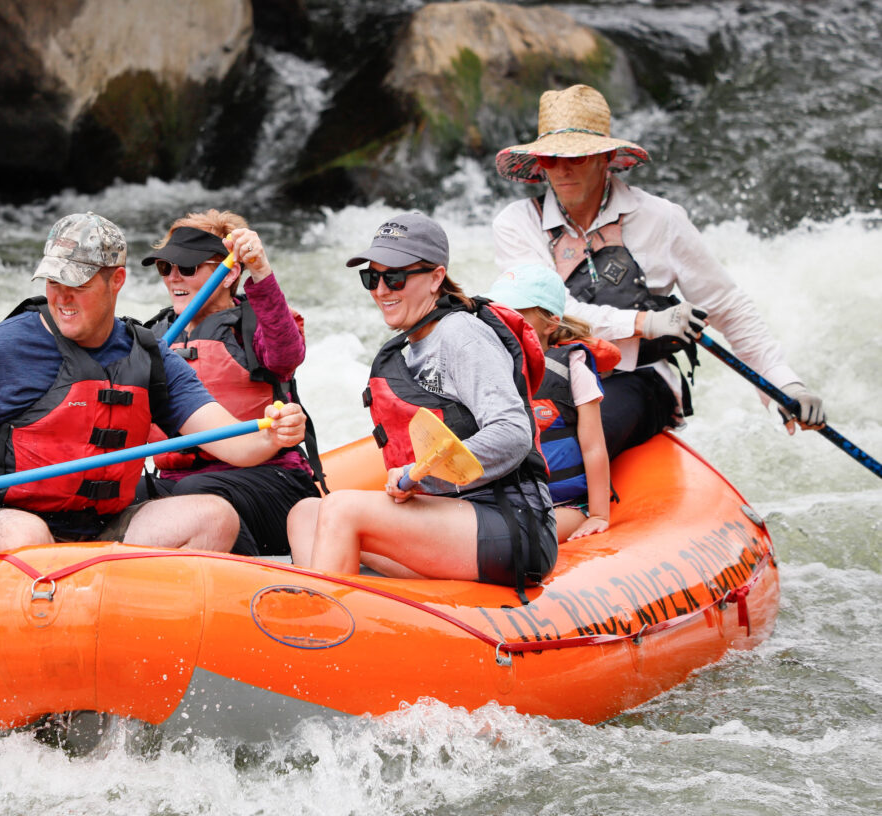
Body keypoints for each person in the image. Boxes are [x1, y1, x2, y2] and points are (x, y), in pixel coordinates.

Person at [0, 212, 307, 562]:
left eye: (77, 283)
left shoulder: (149, 355)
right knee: (26, 536)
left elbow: (235, 443)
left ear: (116, 280)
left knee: (215, 517)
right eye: (53, 280)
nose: (62, 296)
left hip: (100, 525)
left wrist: (276, 432)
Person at [492, 84, 825, 459]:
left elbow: (729, 310)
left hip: (637, 379)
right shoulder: (516, 223)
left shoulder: (662, 219)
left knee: (567, 449)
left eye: (578, 157)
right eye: (551, 159)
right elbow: (549, 312)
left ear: (606, 158)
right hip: (549, 373)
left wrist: (786, 386)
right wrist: (646, 323)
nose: (563, 169)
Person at [287, 213, 557, 598]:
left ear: (435, 278)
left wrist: (420, 475)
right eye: (371, 277)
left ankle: (325, 633)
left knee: (342, 509)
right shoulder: (413, 342)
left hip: (510, 524)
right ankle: (347, 617)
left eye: (394, 277)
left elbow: (514, 432)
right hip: (449, 519)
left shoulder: (462, 336)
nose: (381, 289)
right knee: (305, 513)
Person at [136, 210, 322, 556]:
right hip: (179, 484)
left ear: (228, 273)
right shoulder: (154, 337)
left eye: (188, 268)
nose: (174, 278)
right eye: (166, 268)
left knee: (196, 490)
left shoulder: (255, 323)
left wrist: (261, 271)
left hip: (272, 484)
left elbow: (286, 355)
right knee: (126, 494)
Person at [485, 264, 617, 542]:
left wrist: (598, 515)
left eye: (515, 315)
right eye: (497, 314)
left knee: (516, 542)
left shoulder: (572, 369)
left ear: (550, 323)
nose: (502, 324)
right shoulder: (488, 368)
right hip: (507, 500)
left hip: (564, 505)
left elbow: (593, 447)